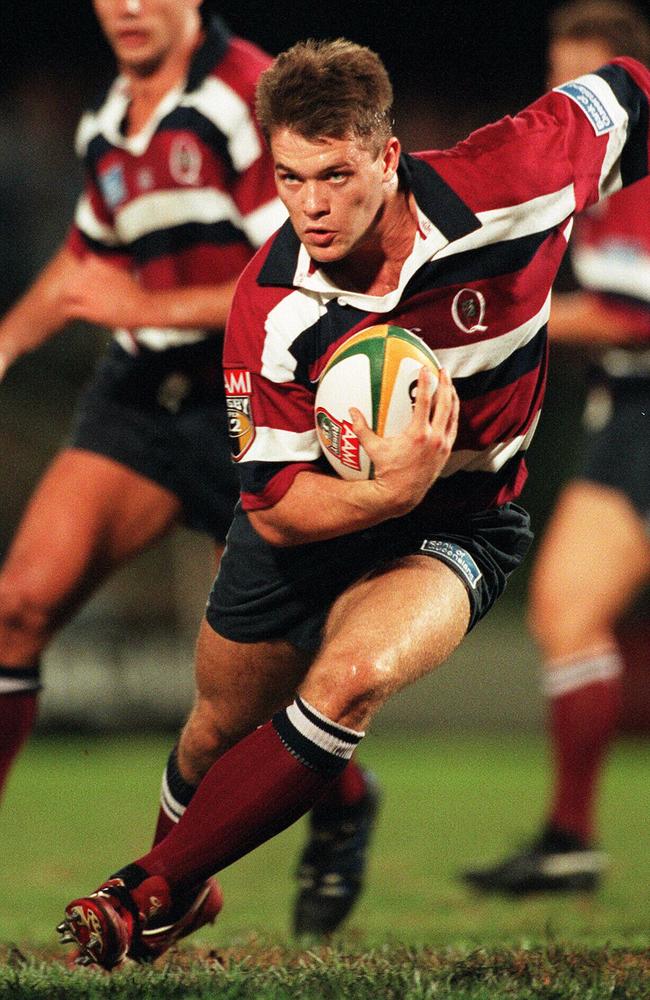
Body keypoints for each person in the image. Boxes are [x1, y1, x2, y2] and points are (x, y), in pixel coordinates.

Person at [57, 36, 650, 969]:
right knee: (217, 726)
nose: (313, 205)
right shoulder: (269, 306)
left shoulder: (517, 176)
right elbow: (279, 506)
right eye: (291, 179)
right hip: (316, 524)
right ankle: (187, 885)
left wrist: (418, 493)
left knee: (350, 678)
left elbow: (633, 93)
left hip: (462, 521)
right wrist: (387, 487)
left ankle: (143, 893)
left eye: (335, 174)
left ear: (387, 153)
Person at [0, 0, 379, 944]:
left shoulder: (246, 97)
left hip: (248, 398)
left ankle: (339, 801)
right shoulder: (107, 122)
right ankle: (182, 885)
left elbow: (292, 269)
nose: (127, 7)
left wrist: (135, 296)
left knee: (255, 691)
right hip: (139, 394)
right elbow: (88, 258)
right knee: (16, 605)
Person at [462, 0, 650, 896]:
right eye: (559, 73)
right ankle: (569, 836)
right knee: (572, 615)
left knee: (570, 614)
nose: (563, 94)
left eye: (583, 79)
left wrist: (503, 323)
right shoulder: (595, 173)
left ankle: (572, 836)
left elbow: (629, 314)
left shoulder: (637, 169)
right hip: (630, 410)